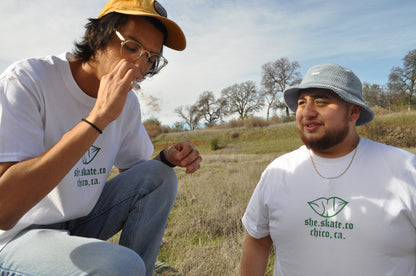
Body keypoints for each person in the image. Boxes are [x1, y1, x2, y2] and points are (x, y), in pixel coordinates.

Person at [0, 0, 202, 275]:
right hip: (15, 238)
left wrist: (166, 158)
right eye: (132, 48)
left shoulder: (127, 102)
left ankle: (141, 270)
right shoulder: (28, 80)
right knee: (121, 265)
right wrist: (97, 118)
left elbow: (139, 178)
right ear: (97, 37)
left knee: (160, 175)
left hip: (77, 223)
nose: (140, 65)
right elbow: (4, 211)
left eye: (152, 59)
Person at [241, 63, 416, 275]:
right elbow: (258, 242)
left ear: (354, 112)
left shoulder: (406, 170)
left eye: (321, 102)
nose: (307, 112)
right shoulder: (278, 172)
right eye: (301, 102)